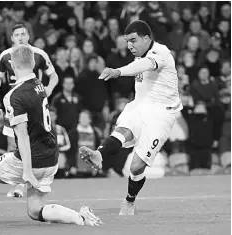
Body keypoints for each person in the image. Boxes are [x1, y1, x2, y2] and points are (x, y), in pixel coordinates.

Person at [0, 45, 102, 227]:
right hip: (50, 156)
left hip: (32, 158)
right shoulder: (40, 86)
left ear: (12, 66)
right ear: (33, 63)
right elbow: (32, 123)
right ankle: (80, 218)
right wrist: (4, 121)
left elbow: (23, 137)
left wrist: (27, 171)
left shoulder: (14, 95)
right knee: (35, 210)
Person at [79, 20, 182, 215]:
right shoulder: (138, 58)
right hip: (140, 106)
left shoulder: (161, 52)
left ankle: (130, 200)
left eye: (133, 40)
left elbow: (145, 65)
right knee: (123, 130)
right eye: (127, 41)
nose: (129, 46)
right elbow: (139, 67)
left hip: (162, 113)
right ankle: (99, 155)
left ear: (147, 38)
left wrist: (118, 71)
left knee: (136, 167)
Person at [0, 23, 59, 197]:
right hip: (15, 102)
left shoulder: (39, 54)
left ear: (28, 36)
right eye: (16, 34)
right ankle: (21, 181)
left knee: (29, 139)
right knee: (15, 143)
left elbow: (53, 75)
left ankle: (26, 178)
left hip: (33, 100)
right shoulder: (5, 56)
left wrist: (49, 88)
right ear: (12, 38)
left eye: (23, 33)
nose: (20, 37)